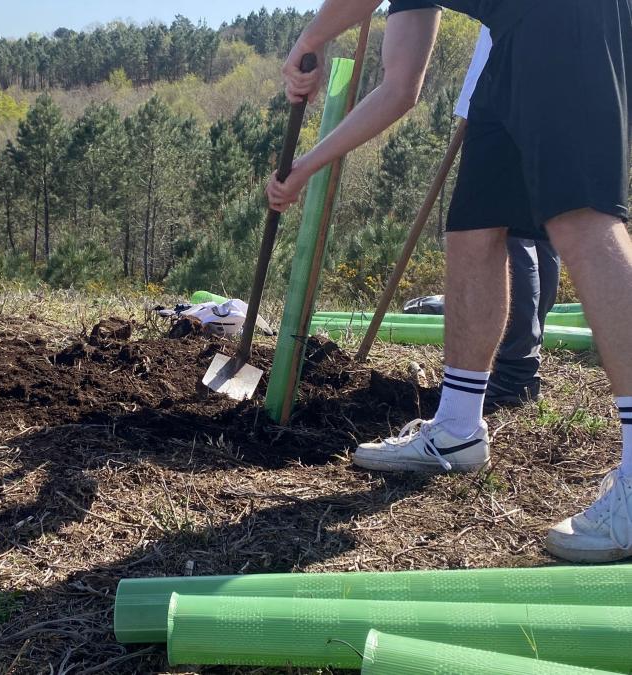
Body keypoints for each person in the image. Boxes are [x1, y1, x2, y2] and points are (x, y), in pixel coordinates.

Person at [267, 1, 632, 562]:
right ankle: (459, 427)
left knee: (582, 220)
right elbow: (399, 88)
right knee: (473, 229)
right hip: (512, 36)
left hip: (565, 15)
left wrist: (311, 36)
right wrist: (305, 167)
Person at [457, 27, 562, 408]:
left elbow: (496, 35)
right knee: (543, 230)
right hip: (566, 96)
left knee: (505, 233)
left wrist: (472, 103)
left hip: (508, 95)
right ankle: (523, 363)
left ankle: (515, 370)